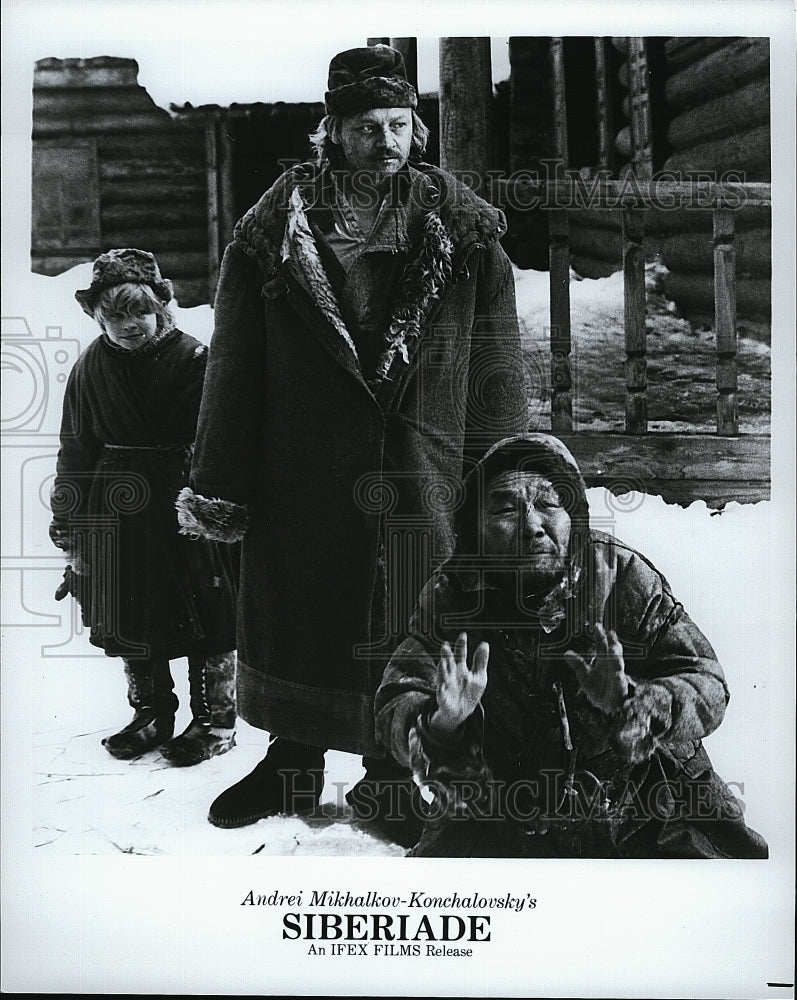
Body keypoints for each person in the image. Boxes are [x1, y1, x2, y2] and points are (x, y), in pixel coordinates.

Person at [176, 44, 528, 836]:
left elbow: (498, 365)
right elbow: (232, 369)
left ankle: (392, 776)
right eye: (366, 126)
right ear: (330, 132)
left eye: (401, 124)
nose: (386, 140)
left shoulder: (463, 232)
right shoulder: (271, 234)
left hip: (420, 464)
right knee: (303, 609)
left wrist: (502, 478)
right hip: (301, 469)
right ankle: (291, 765)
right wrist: (222, 481)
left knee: (408, 612)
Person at [375, 433, 769, 858]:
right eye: (505, 509)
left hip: (648, 806)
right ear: (476, 529)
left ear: (573, 516)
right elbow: (396, 699)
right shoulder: (451, 594)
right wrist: (442, 719)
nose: (530, 525)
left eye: (548, 503)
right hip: (502, 813)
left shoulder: (622, 574)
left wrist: (637, 704)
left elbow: (705, 680)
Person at [50, 248, 238, 767]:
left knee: (207, 607)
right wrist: (68, 519)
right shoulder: (91, 367)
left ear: (162, 307)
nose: (128, 325)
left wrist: (217, 506)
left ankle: (215, 720)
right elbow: (76, 446)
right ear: (96, 316)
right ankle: (151, 712)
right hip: (116, 507)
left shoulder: (197, 360)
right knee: (130, 607)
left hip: (184, 503)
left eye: (140, 311)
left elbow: (225, 438)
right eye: (114, 315)